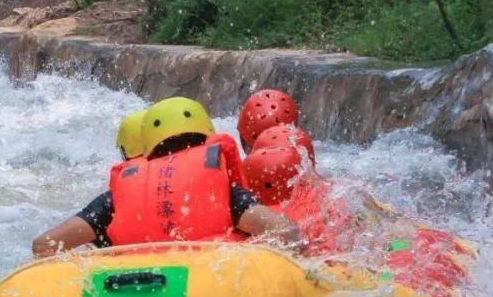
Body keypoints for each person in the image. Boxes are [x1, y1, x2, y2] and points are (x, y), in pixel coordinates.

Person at [32, 97, 300, 257]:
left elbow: (45, 245)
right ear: (208, 136)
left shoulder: (113, 201)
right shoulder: (223, 192)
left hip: (128, 295)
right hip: (210, 289)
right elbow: (284, 232)